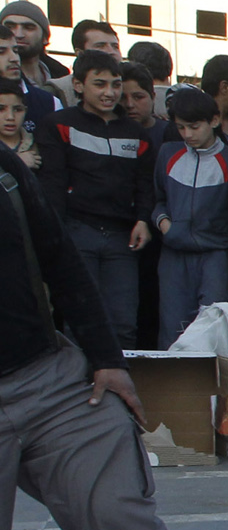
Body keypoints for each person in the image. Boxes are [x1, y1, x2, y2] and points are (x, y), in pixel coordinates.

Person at [0, 133, 198, 530]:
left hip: (48, 377)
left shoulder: (4, 169)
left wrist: (107, 359)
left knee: (115, 507)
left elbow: (59, 258)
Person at [35, 50, 153, 341]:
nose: (110, 92)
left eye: (115, 84)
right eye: (99, 84)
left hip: (121, 238)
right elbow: (52, 184)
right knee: (80, 324)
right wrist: (57, 237)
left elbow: (145, 183)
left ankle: (121, 386)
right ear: (78, 85)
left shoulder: (136, 132)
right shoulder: (58, 124)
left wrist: (143, 219)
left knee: (123, 323)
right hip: (76, 232)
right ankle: (79, 386)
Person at [150, 88, 228, 346]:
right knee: (172, 328)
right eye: (181, 128)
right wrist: (165, 225)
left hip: (216, 256)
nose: (187, 135)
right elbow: (157, 199)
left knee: (213, 330)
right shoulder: (168, 153)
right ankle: (172, 385)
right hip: (173, 256)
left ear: (214, 121)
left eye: (194, 126)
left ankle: (215, 387)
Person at [2, 3, 71, 102]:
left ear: (45, 38)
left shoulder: (62, 75)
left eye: (28, 27)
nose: (18, 34)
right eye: (10, 27)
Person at [0, 79, 43, 175]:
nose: (10, 117)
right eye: (1, 109)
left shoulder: (40, 143)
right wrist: (16, 162)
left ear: (25, 111)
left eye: (18, 110)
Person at [117, 64, 157, 134]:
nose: (129, 104)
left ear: (152, 97)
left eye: (138, 97)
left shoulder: (172, 132)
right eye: (122, 98)